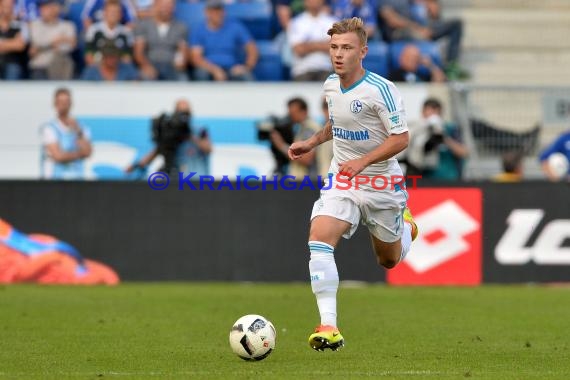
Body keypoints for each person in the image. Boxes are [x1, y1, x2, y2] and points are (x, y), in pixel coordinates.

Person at [288, 17, 418, 351]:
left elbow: (401, 138)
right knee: (319, 238)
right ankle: (328, 326)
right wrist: (312, 142)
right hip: (342, 180)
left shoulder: (382, 89)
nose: (338, 54)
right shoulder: (331, 85)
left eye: (346, 48)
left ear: (363, 51)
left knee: (387, 260)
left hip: (380, 183)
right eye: (334, 47)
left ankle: (405, 227)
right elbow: (336, 123)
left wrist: (364, 161)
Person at [379, 0, 465, 78]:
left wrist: (430, 4)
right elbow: (392, 20)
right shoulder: (385, 2)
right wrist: (418, 28)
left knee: (456, 24)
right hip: (399, 32)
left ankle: (451, 66)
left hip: (420, 26)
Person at [126, 99, 212, 176]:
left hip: (199, 180)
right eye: (180, 113)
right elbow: (159, 150)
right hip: (180, 180)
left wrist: (190, 135)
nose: (184, 118)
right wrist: (136, 166)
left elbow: (208, 149)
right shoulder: (173, 131)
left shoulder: (199, 130)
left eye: (186, 113)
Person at [189, 0, 258, 81]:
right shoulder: (198, 29)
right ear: (206, 12)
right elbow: (196, 58)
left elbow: (252, 48)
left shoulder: (235, 26)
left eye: (220, 10)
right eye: (214, 11)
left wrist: (246, 66)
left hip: (231, 68)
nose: (218, 13)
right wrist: (215, 70)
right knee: (201, 73)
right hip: (209, 68)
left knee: (246, 76)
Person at [405, 97, 468, 180]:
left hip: (448, 179)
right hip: (424, 179)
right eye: (429, 115)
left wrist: (444, 138)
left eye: (436, 114)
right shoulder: (416, 129)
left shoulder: (450, 129)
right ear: (423, 113)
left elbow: (464, 152)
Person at [40, 87, 92, 179]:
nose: (64, 105)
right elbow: (58, 156)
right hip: (54, 179)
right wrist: (80, 154)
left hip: (76, 179)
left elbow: (88, 152)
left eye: (66, 102)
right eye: (61, 102)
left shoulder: (81, 127)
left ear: (71, 103)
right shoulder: (49, 128)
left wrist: (78, 131)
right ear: (55, 104)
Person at [133, 0, 187, 81]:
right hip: (151, 64)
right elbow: (138, 52)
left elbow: (182, 50)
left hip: (171, 66)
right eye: (163, 5)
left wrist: (181, 62)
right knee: (146, 79)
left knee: (183, 79)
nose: (166, 8)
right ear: (156, 5)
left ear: (174, 7)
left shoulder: (181, 27)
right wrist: (146, 66)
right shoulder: (143, 25)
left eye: (169, 5)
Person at [269, 97, 323, 178]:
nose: (291, 116)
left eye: (293, 113)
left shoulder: (310, 128)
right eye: (290, 113)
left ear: (304, 111)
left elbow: (307, 159)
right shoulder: (301, 128)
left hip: (308, 181)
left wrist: (281, 145)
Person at [287, 0, 337, 81]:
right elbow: (298, 50)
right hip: (302, 70)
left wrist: (308, 45)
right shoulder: (296, 22)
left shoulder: (332, 22)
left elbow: (335, 48)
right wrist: (324, 44)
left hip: (326, 69)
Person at [28, 0, 77, 80]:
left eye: (46, 7)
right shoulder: (34, 25)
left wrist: (42, 48)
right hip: (40, 67)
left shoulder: (68, 25)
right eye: (41, 7)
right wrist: (58, 40)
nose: (42, 10)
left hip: (60, 66)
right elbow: (37, 43)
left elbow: (70, 46)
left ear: (56, 8)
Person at [0, 0, 27, 80]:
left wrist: (2, 44)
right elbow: (16, 44)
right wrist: (12, 43)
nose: (7, 9)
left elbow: (20, 45)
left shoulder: (19, 24)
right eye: (5, 6)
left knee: (13, 69)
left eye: (10, 6)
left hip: (13, 63)